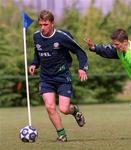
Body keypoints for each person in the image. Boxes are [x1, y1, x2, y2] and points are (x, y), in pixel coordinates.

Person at [29, 10, 88, 142]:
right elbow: (37, 52)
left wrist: (82, 68)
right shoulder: (36, 36)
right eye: (40, 25)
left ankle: (75, 110)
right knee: (49, 106)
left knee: (63, 109)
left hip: (62, 77)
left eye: (45, 24)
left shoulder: (62, 37)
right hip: (46, 78)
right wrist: (34, 64)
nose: (42, 28)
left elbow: (79, 51)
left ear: (52, 24)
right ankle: (62, 135)